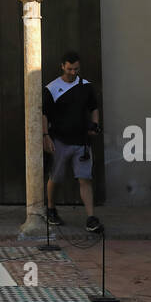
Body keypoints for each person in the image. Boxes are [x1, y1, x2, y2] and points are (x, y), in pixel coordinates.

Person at [42, 50, 102, 232]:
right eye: (69, 69)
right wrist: (46, 136)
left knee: (85, 178)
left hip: (82, 141)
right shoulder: (51, 88)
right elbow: (44, 114)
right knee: (56, 177)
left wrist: (95, 125)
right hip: (60, 140)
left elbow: (94, 108)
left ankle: (91, 217)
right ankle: (51, 208)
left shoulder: (86, 86)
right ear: (62, 66)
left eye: (76, 69)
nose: (73, 72)